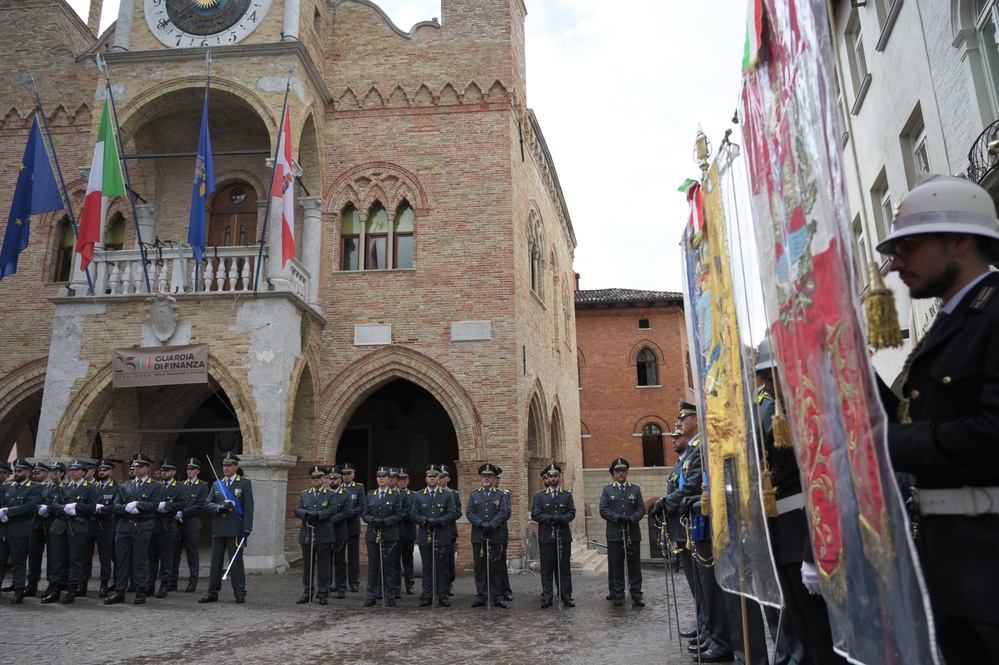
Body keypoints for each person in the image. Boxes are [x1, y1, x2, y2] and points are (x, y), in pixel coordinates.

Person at [875, 175, 999, 663]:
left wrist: (884, 444)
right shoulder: (951, 321)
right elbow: (911, 420)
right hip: (953, 565)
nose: (894, 262)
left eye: (906, 245)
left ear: (960, 240)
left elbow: (991, 436)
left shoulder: (992, 313)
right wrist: (850, 373)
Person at [755, 338, 843, 665]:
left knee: (824, 635)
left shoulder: (809, 411)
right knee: (808, 633)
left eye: (769, 374)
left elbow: (822, 478)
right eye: (762, 375)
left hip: (807, 531)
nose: (764, 383)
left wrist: (812, 547)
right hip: (783, 535)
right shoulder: (780, 413)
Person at [104, 452, 165, 605]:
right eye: (135, 466)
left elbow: (155, 505)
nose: (137, 469)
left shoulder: (155, 486)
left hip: (142, 525)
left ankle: (141, 590)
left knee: (140, 559)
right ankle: (120, 590)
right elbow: (115, 505)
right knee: (121, 560)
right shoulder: (126, 486)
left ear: (148, 468)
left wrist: (139, 505)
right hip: (124, 526)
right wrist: (126, 508)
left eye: (140, 466)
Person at [199, 452, 253, 604]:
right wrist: (220, 506)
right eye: (224, 465)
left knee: (235, 563)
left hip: (235, 529)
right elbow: (207, 503)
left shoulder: (244, 484)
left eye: (229, 465)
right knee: (215, 562)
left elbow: (249, 507)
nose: (226, 468)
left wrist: (247, 527)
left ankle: (239, 592)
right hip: (219, 528)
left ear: (236, 467)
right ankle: (212, 592)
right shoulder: (217, 484)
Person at [46, 459, 96, 604]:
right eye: (71, 470)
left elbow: (92, 508)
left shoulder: (89, 488)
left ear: (83, 472)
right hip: (60, 526)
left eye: (76, 470)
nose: (73, 472)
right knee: (57, 558)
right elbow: (52, 505)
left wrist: (77, 507)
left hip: (77, 526)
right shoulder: (64, 487)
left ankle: (72, 590)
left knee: (75, 559)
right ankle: (55, 589)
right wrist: (64, 509)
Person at [598, 457, 645, 607]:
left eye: (623, 471)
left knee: (634, 566)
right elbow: (603, 510)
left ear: (627, 473)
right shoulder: (608, 490)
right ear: (613, 474)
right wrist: (618, 518)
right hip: (615, 534)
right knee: (616, 566)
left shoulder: (635, 489)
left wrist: (632, 519)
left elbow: (641, 509)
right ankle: (618, 593)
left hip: (632, 533)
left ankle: (636, 594)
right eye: (618, 471)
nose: (621, 474)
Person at [411, 464, 459, 607]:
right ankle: (427, 595)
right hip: (426, 535)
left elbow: (452, 513)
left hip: (442, 534)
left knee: (443, 568)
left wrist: (439, 521)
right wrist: (425, 521)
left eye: (435, 476)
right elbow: (413, 514)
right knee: (427, 567)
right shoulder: (419, 495)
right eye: (429, 477)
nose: (432, 479)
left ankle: (443, 595)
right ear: (426, 479)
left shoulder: (447, 495)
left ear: (439, 478)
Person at [530, 463, 576, 608]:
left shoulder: (566, 495)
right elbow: (536, 514)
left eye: (555, 475)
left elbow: (572, 512)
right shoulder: (540, 497)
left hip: (563, 536)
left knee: (564, 569)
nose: (553, 478)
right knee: (547, 569)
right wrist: (549, 519)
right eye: (550, 476)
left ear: (559, 477)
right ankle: (548, 597)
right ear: (547, 479)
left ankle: (566, 596)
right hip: (547, 537)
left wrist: (562, 519)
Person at [466, 462, 511, 608]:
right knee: (480, 567)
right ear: (480, 478)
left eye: (490, 476)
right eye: (484, 476)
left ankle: (497, 596)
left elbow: (503, 512)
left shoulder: (500, 495)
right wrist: (480, 524)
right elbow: (469, 512)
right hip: (479, 535)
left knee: (495, 567)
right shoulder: (474, 494)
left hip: (495, 535)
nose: (487, 479)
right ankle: (481, 595)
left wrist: (492, 524)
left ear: (494, 479)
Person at [0, 458, 44, 604]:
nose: (16, 473)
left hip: (20, 529)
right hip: (4, 529)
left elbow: (30, 506)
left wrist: (8, 511)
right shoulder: (8, 486)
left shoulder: (35, 487)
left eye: (19, 471)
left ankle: (19, 591)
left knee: (18, 562)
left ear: (28, 472)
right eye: (15, 471)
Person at [294, 465, 337, 605]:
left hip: (323, 533)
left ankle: (323, 592)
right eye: (313, 478)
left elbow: (332, 510)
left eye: (318, 477)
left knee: (323, 565)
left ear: (324, 479)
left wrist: (318, 515)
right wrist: (306, 514)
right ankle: (307, 591)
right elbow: (297, 510)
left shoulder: (330, 494)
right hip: (307, 532)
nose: (316, 480)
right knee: (307, 565)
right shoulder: (304, 494)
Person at [362, 465, 403, 607]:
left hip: (390, 534)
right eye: (378, 477)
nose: (381, 479)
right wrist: (373, 520)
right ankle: (371, 595)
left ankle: (390, 595)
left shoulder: (395, 495)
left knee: (389, 567)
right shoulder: (370, 495)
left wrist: (386, 521)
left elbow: (399, 514)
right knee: (373, 567)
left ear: (388, 479)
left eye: (383, 477)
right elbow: (365, 514)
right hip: (373, 534)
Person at [147, 459, 186, 598]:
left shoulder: (179, 487)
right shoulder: (156, 486)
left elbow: (182, 504)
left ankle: (164, 584)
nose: (163, 473)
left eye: (167, 471)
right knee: (151, 558)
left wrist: (167, 506)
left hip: (168, 525)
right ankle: (149, 584)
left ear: (173, 472)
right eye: (162, 471)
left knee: (166, 558)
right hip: (154, 524)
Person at [174, 457, 210, 593]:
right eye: (188, 469)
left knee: (192, 553)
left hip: (191, 522)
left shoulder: (202, 485)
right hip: (178, 523)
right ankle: (173, 580)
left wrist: (183, 512)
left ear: (198, 471)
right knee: (175, 552)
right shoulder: (181, 484)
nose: (189, 471)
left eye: (192, 469)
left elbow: (201, 504)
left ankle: (193, 581)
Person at [88, 459, 119, 598]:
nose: (102, 472)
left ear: (111, 472)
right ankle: (82, 583)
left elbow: (116, 506)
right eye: (100, 470)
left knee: (105, 557)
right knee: (85, 556)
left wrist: (103, 509)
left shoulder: (116, 488)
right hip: (91, 525)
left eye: (105, 469)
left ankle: (104, 583)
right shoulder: (93, 487)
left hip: (106, 525)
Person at [327, 466, 352, 598]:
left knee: (340, 560)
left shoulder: (346, 495)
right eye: (330, 478)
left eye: (335, 478)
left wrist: (330, 520)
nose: (332, 481)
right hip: (326, 533)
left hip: (339, 531)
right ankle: (327, 585)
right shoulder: (325, 493)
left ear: (340, 480)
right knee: (326, 561)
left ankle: (341, 586)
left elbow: (347, 512)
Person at [340, 462, 365, 592]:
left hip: (352, 525)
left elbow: (361, 506)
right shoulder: (337, 488)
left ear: (353, 474)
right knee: (339, 556)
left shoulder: (359, 488)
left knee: (353, 556)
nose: (346, 476)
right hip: (340, 526)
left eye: (348, 474)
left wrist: (348, 514)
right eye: (344, 474)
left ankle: (354, 581)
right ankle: (339, 582)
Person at [440, 465, 461, 596]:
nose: (441, 479)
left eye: (444, 477)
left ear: (448, 478)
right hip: (437, 529)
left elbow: (458, 512)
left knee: (448, 559)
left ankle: (448, 584)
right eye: (440, 476)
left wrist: (447, 517)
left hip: (450, 529)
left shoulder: (454, 494)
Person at [395, 467, 416, 596]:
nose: (401, 481)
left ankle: (410, 584)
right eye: (399, 479)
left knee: (408, 560)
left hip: (408, 532)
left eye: (404, 479)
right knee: (396, 560)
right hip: (396, 532)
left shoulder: (413, 495)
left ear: (408, 481)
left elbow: (413, 514)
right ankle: (397, 586)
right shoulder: (394, 494)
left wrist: (400, 515)